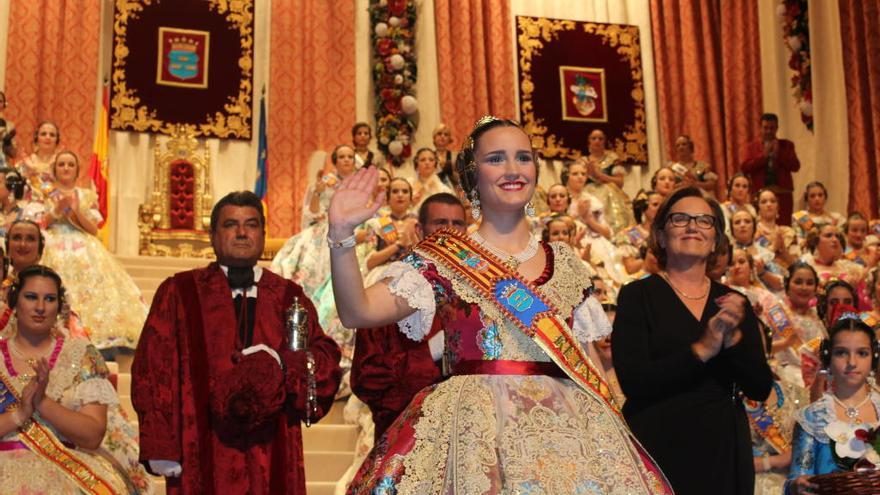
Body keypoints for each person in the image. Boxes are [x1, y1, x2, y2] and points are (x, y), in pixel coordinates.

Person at [329, 116, 672, 493]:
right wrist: (341, 235)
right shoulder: (443, 256)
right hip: (474, 431)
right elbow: (357, 311)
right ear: (473, 175)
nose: (513, 169)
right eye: (496, 159)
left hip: (567, 433)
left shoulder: (566, 260)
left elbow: (587, 364)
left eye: (523, 157)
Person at [131, 191, 342, 494]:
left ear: (263, 234)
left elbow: (325, 363)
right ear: (213, 236)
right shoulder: (179, 292)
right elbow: (152, 370)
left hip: (272, 451)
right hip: (199, 449)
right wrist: (162, 445)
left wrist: (284, 365)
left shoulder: (288, 296)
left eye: (251, 225)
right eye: (231, 224)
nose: (242, 233)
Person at [612, 185, 773, 495]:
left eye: (704, 221)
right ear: (660, 236)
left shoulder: (734, 301)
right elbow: (633, 381)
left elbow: (759, 387)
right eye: (680, 219)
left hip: (723, 449)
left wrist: (734, 340)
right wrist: (702, 350)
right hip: (659, 444)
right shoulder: (637, 295)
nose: (692, 226)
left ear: (715, 241)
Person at [0, 265, 137, 493]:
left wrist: (42, 402)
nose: (40, 307)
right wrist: (19, 414)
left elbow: (92, 436)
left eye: (50, 299)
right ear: (15, 302)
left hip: (67, 470)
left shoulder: (81, 354)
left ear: (60, 305)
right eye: (31, 297)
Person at [352, 192, 466, 441]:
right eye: (440, 223)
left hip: (468, 435)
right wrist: (429, 355)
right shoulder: (395, 289)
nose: (450, 233)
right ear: (420, 230)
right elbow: (368, 380)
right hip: (405, 435)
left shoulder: (479, 291)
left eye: (457, 224)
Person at [39, 151, 148, 351]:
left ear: (77, 170)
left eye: (70, 164)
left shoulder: (86, 195)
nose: (65, 168)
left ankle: (100, 336)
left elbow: (93, 229)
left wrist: (75, 210)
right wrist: (57, 210)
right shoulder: (46, 192)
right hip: (54, 243)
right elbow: (41, 223)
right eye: (61, 164)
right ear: (55, 169)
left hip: (84, 245)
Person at [785, 310, 880, 494]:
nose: (852, 362)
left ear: (873, 358)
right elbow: (796, 479)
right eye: (841, 353)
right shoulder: (812, 418)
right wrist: (797, 486)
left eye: (862, 353)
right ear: (828, 357)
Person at [741, 113, 801, 225]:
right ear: (760, 128)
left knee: (784, 226)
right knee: (760, 226)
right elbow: (745, 168)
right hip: (760, 194)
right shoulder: (752, 147)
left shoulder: (786, 145)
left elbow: (795, 166)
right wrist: (763, 156)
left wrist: (779, 153)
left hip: (783, 194)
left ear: (777, 128)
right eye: (765, 128)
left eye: (772, 128)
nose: (769, 131)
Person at [578, 129, 634, 233]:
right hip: (588, 193)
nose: (597, 141)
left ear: (605, 141)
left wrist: (599, 175)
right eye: (594, 138)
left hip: (610, 193)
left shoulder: (612, 159)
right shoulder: (582, 161)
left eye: (600, 138)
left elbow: (620, 182)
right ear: (589, 142)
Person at [615, 190, 663, 277]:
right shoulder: (631, 233)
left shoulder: (668, 233)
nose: (660, 209)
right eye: (655, 205)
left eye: (662, 205)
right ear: (643, 208)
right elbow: (630, 268)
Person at [755, 188, 799, 269]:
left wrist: (784, 252)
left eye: (772, 201)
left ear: (777, 207)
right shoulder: (753, 232)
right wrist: (774, 248)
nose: (769, 204)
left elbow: (797, 264)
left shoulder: (788, 232)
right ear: (758, 208)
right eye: (764, 202)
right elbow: (754, 263)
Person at [16, 121, 60, 201]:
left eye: (52, 135)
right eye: (43, 134)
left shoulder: (62, 164)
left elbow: (66, 189)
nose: (48, 137)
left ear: (57, 140)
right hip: (29, 207)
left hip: (56, 206)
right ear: (37, 138)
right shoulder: (25, 163)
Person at [431, 123, 457, 191]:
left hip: (452, 192)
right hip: (434, 192)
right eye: (439, 134)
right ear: (434, 138)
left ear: (449, 139)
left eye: (446, 134)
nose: (442, 136)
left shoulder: (455, 156)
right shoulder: (429, 157)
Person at [0, 91, 18, 167]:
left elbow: (13, 154)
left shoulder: (9, 126)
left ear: (4, 104)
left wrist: (7, 143)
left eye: (0, 101)